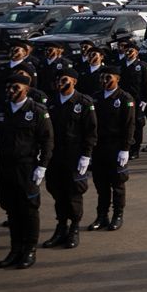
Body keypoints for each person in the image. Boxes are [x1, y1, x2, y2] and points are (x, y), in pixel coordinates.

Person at [0, 70, 53, 270]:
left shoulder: (37, 110)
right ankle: (15, 249)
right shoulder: (0, 110)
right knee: (11, 210)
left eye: (15, 87)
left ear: (26, 89)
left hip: (27, 168)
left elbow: (47, 141)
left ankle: (29, 250)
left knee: (28, 210)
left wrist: (42, 166)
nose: (11, 90)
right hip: (5, 168)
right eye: (8, 87)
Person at [43, 67, 96, 250]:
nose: (60, 82)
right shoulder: (51, 102)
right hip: (55, 155)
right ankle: (61, 227)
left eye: (64, 79)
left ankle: (74, 228)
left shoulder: (83, 102)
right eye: (58, 79)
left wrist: (86, 155)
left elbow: (90, 131)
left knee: (74, 193)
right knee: (57, 191)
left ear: (74, 81)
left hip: (74, 156)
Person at [88, 65, 134, 232]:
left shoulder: (124, 98)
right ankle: (102, 216)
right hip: (99, 147)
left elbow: (129, 126)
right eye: (102, 78)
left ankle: (117, 215)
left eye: (109, 78)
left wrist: (125, 149)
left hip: (116, 147)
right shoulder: (96, 97)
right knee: (101, 185)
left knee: (118, 185)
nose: (105, 81)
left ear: (117, 79)